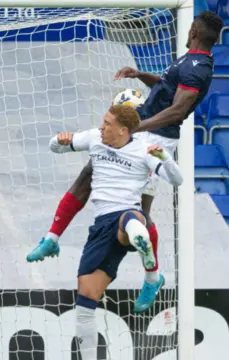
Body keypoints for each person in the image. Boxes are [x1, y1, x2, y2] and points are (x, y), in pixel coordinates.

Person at [26, 10, 223, 313]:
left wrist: (137, 128)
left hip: (156, 139)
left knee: (140, 211)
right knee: (90, 173)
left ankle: (152, 277)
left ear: (194, 30)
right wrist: (140, 75)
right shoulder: (190, 60)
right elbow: (169, 87)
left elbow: (178, 110)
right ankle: (52, 237)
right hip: (145, 128)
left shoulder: (198, 67)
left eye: (190, 29)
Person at [46, 105, 182, 359]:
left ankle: (142, 248)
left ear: (123, 130)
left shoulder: (144, 151)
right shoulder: (95, 138)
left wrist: (165, 158)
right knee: (85, 298)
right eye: (103, 121)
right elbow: (54, 146)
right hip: (101, 227)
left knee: (130, 220)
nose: (102, 126)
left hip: (128, 213)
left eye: (107, 123)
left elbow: (177, 180)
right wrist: (59, 139)